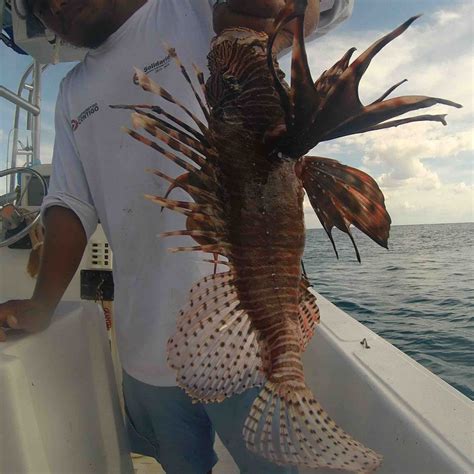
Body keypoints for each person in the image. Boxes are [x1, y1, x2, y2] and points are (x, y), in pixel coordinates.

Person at [0, 1, 353, 472]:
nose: (55, 6)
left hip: (246, 340)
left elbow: (319, 10)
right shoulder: (71, 92)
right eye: (38, 5)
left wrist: (277, 19)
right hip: (143, 349)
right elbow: (69, 203)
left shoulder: (191, 7)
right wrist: (42, 303)